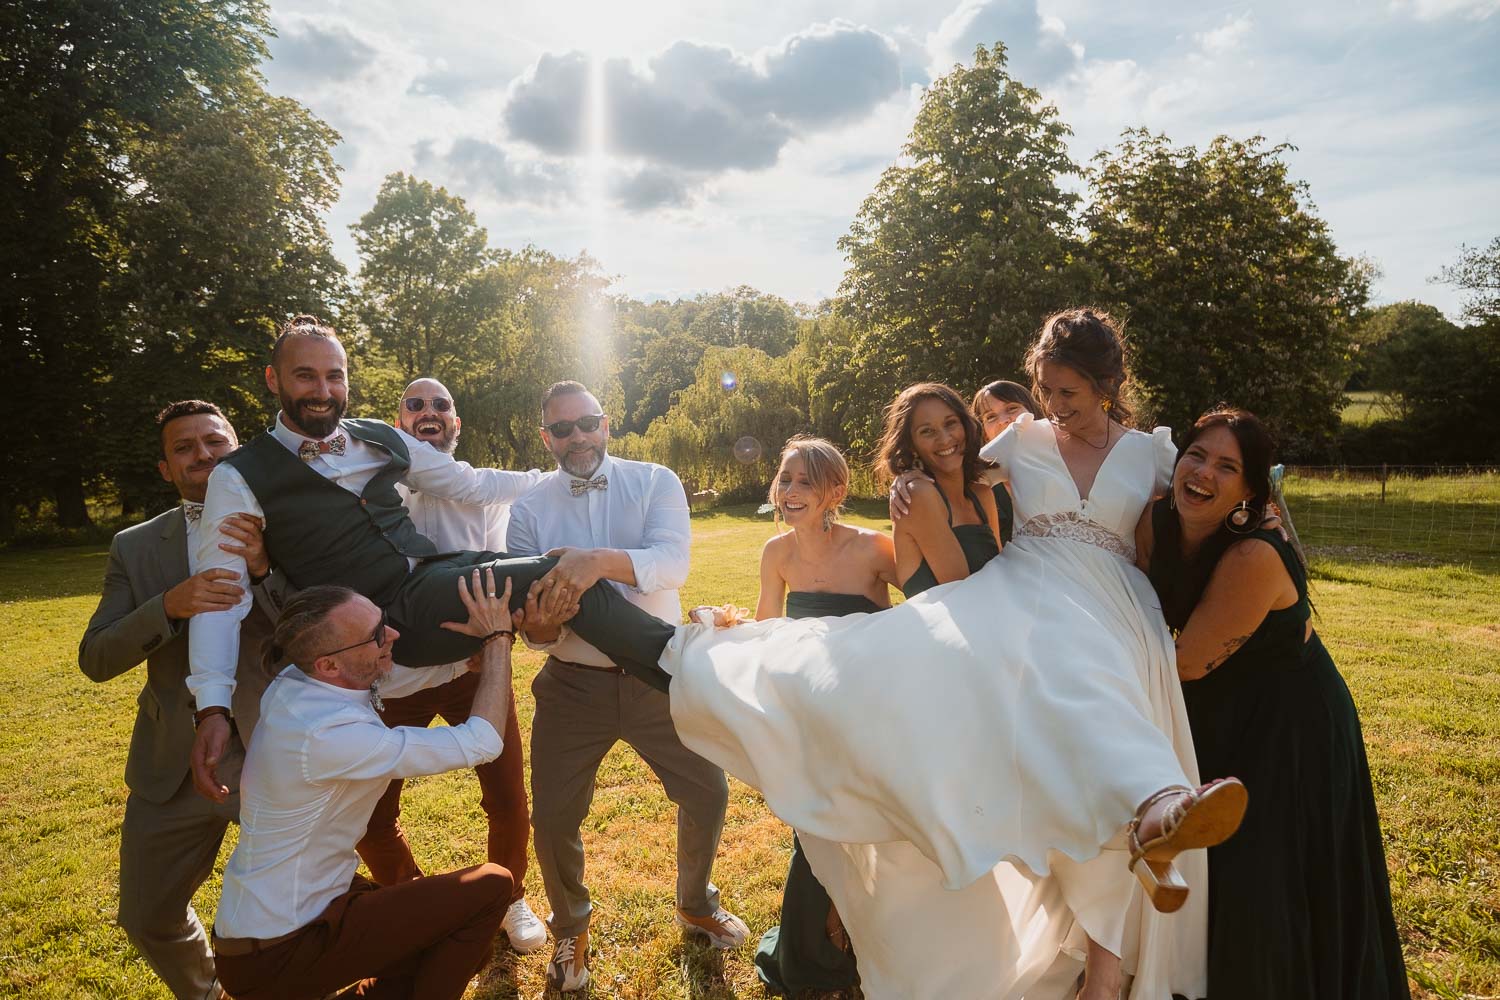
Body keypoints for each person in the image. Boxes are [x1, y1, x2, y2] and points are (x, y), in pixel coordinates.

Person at [582, 309, 1247, 999]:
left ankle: (1148, 842)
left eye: (1070, 394)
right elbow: (949, 461)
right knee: (1064, 715)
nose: (1055, 406)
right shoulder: (1021, 441)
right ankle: (1156, 812)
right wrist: (906, 484)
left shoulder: (1151, 454)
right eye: (1046, 390)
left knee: (1095, 704)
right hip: (1028, 594)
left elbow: (1204, 511)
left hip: (1115, 605)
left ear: (1110, 384)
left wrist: (1261, 539)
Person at [185, 315, 682, 801]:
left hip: (434, 575)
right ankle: (689, 674)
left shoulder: (376, 436)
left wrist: (556, 480)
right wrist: (211, 708)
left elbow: (469, 482)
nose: (323, 389)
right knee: (568, 573)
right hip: (385, 619)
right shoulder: (238, 477)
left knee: (558, 569)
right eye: (305, 375)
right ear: (273, 379)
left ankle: (684, 672)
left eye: (334, 376)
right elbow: (219, 599)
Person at [1140, 409, 1410, 1000]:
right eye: (1197, 454)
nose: (1204, 472)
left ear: (1250, 493)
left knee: (1267, 875)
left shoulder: (1254, 556)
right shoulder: (1156, 520)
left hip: (1291, 725)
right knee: (1227, 868)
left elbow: (1187, 662)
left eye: (1227, 466)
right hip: (1222, 714)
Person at [505, 380, 748, 993]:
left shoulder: (656, 480)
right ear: (547, 438)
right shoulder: (529, 509)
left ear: (607, 424)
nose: (577, 436)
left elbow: (672, 562)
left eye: (587, 423)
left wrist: (592, 562)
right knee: (555, 816)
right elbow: (528, 626)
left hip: (658, 678)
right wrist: (537, 624)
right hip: (572, 686)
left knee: (708, 794)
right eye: (562, 429)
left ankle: (695, 901)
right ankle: (571, 927)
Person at [211, 572, 521, 1000]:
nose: (392, 634)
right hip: (280, 948)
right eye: (376, 635)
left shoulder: (295, 682)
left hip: (292, 915)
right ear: (330, 664)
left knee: (459, 943)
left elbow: (385, 680)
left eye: (384, 620)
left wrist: (460, 662)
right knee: (492, 886)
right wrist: (498, 639)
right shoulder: (326, 734)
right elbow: (482, 741)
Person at [78, 400, 287, 1000]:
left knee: (306, 898)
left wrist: (265, 568)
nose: (203, 455)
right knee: (148, 915)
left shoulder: (281, 524)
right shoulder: (135, 548)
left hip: (270, 750)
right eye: (184, 448)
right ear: (166, 468)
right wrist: (169, 604)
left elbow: (318, 627)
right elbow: (96, 657)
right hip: (174, 761)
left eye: (214, 441)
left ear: (236, 447)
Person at [353, 376, 547, 955]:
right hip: (395, 679)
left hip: (473, 671)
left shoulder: (491, 492)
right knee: (370, 814)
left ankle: (508, 898)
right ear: (400, 423)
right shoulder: (372, 486)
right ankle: (416, 902)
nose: (429, 412)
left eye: (442, 405)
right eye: (416, 405)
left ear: (457, 423)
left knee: (508, 798)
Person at [751, 436, 896, 997]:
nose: (789, 491)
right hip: (810, 712)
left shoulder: (872, 549)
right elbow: (766, 633)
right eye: (785, 479)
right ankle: (816, 951)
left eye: (804, 481)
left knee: (868, 829)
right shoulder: (776, 553)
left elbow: (929, 613)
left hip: (870, 713)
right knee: (813, 830)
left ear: (835, 491)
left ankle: (866, 940)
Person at [882, 382, 1001, 598]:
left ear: (966, 426)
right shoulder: (918, 495)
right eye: (927, 431)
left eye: (951, 423)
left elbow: (1002, 573)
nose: (945, 439)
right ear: (911, 445)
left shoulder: (982, 495)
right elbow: (963, 592)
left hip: (993, 619)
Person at [971, 379, 1041, 544]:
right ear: (984, 432)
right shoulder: (975, 478)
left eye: (1011, 408)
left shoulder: (1065, 457)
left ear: (1032, 411)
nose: (1003, 420)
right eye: (991, 417)